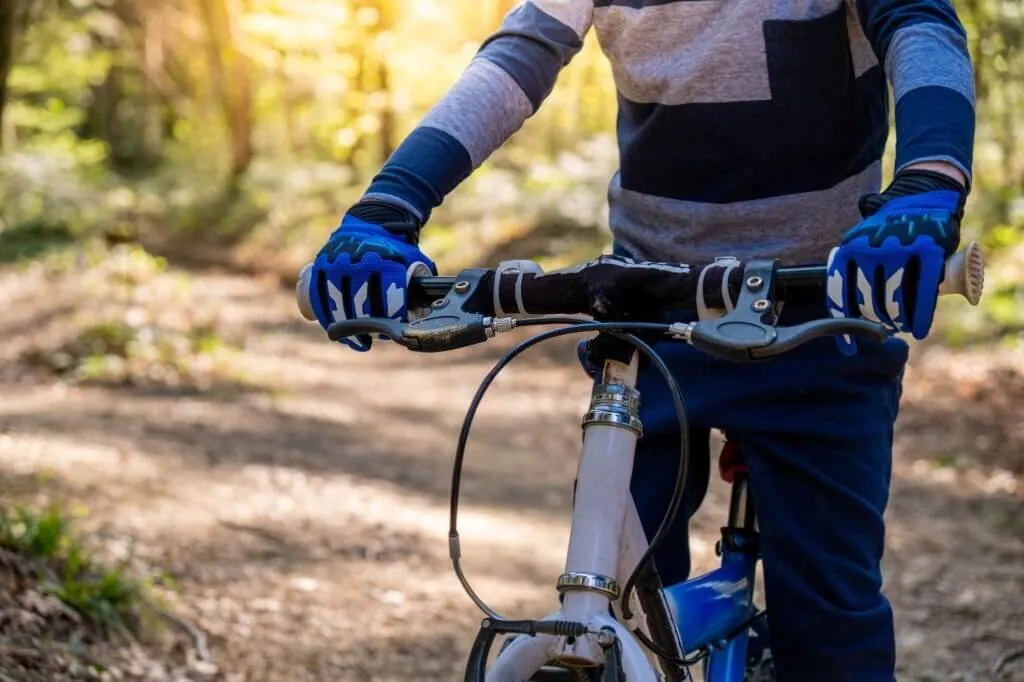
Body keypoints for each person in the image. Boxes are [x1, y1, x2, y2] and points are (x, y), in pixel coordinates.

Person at [303, 0, 975, 679]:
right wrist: (387, 208)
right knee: (608, 597)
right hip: (650, 316)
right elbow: (515, 61)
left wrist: (926, 185)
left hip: (816, 316)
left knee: (830, 626)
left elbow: (922, 29)